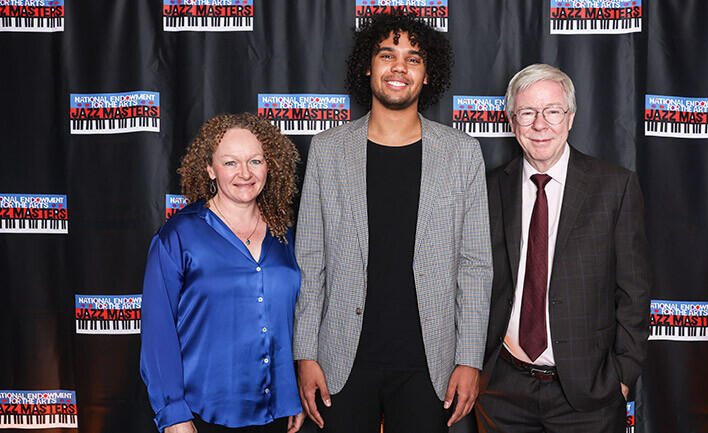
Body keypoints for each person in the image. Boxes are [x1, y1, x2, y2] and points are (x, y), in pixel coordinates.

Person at [292, 12, 493, 433]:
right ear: (368, 65)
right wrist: (305, 353)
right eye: (388, 55)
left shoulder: (461, 152)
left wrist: (469, 359)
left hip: (429, 365)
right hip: (340, 362)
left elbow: (475, 266)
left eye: (413, 58)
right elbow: (310, 260)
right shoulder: (328, 150)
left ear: (427, 73)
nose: (399, 67)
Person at [475, 63, 652, 432]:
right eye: (527, 113)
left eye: (552, 111)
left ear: (569, 118)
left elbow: (634, 291)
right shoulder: (489, 190)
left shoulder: (614, 187)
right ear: (512, 122)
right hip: (503, 392)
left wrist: (622, 376)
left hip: (589, 395)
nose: (540, 124)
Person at [140, 113, 305, 433]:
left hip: (277, 415)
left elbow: (297, 319)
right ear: (210, 168)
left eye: (255, 161)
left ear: (269, 166)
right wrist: (174, 415)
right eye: (230, 163)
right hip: (204, 415)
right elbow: (158, 334)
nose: (244, 173)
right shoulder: (178, 236)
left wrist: (291, 393)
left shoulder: (287, 234)